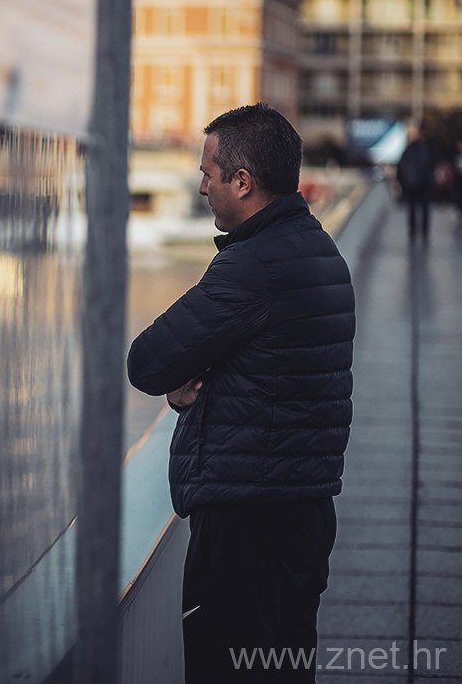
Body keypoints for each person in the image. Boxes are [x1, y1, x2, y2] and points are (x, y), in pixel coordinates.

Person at [127, 104, 354, 683]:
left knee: (225, 670)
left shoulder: (253, 265)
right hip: (304, 511)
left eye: (208, 174)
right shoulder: (320, 251)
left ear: (243, 181)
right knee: (285, 666)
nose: (202, 187)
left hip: (245, 525)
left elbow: (147, 362)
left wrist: (183, 386)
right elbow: (276, 369)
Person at [396, 122, 437, 243]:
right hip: (414, 183)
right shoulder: (415, 147)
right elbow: (403, 164)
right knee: (414, 209)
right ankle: (414, 233)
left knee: (423, 209)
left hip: (422, 183)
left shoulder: (429, 146)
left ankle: (422, 233)